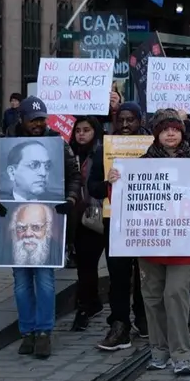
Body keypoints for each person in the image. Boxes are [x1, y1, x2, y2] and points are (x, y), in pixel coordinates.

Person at [0, 96, 80, 358]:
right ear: (21, 119)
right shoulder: (4, 145)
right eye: (33, 119)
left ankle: (44, 332)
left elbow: (74, 174)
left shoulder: (57, 142)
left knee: (45, 280)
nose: (38, 124)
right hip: (14, 223)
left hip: (50, 219)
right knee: (21, 282)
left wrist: (70, 199)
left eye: (42, 119)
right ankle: (28, 331)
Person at [107, 109, 190, 376]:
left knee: (176, 295)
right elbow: (124, 202)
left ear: (182, 132)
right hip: (150, 241)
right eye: (165, 128)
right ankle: (159, 351)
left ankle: (181, 354)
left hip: (182, 244)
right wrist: (114, 183)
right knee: (153, 298)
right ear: (156, 133)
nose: (171, 133)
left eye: (176, 128)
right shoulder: (140, 165)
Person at [90, 101, 150, 351]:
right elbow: (91, 187)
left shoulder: (154, 147)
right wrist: (107, 182)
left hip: (147, 221)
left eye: (131, 120)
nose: (125, 125)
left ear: (140, 121)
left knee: (146, 274)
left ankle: (144, 318)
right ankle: (119, 324)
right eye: (121, 120)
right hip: (115, 221)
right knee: (118, 275)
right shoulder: (104, 148)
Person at [70, 116, 107, 331]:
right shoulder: (69, 153)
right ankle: (92, 302)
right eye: (78, 130)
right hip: (75, 215)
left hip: (97, 213)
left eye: (86, 130)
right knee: (84, 263)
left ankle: (84, 307)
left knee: (88, 261)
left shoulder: (102, 151)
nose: (81, 134)